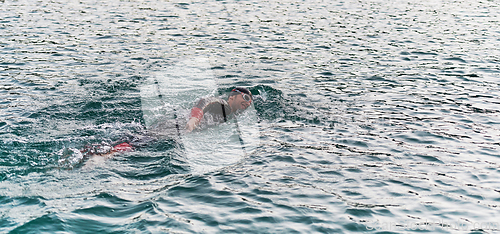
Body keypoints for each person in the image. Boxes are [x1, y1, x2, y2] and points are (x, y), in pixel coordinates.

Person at [186, 87, 253, 132]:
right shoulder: (225, 106)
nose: (248, 103)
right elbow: (204, 101)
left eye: (250, 102)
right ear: (232, 97)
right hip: (185, 126)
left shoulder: (233, 115)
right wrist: (194, 118)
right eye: (246, 98)